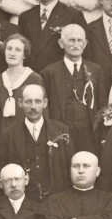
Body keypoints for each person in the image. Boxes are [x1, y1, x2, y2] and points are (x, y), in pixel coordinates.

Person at [41, 24, 107, 154]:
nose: (75, 44)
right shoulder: (49, 72)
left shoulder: (96, 70)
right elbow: (45, 107)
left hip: (89, 134)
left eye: (79, 40)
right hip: (60, 135)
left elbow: (102, 104)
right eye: (71, 40)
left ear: (85, 43)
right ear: (61, 43)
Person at [0, 84, 72, 202]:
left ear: (45, 103)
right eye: (28, 102)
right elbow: (1, 171)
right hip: (24, 202)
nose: (33, 107)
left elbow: (69, 167)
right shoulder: (9, 134)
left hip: (56, 201)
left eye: (38, 101)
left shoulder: (60, 130)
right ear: (20, 103)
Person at [17, 0, 90, 73]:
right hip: (32, 78)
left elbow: (85, 52)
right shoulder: (25, 17)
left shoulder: (73, 16)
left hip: (61, 78)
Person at [0, 33, 43, 140]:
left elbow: (42, 112)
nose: (12, 53)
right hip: (3, 138)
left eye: (18, 50)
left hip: (27, 137)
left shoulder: (34, 78)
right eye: (9, 49)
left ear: (24, 54)